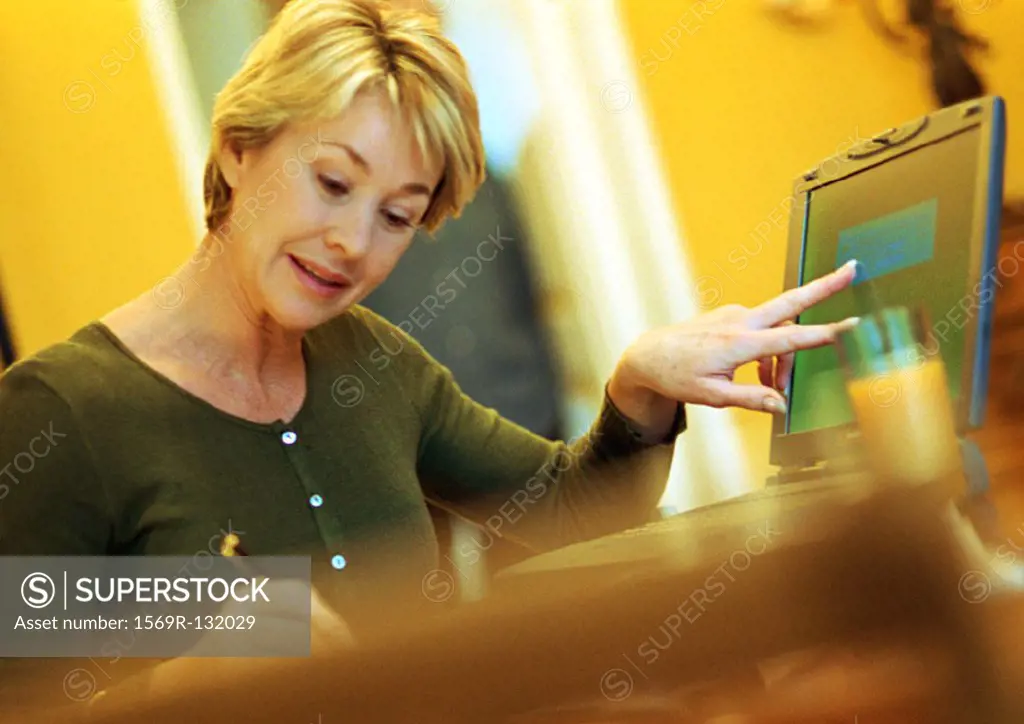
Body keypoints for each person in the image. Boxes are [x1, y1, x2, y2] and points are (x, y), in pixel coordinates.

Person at [0, 0, 857, 711]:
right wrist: (188, 669)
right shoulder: (65, 411)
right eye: (332, 182)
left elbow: (566, 514)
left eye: (398, 215)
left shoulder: (374, 363)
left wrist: (637, 390)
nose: (351, 243)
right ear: (238, 147)